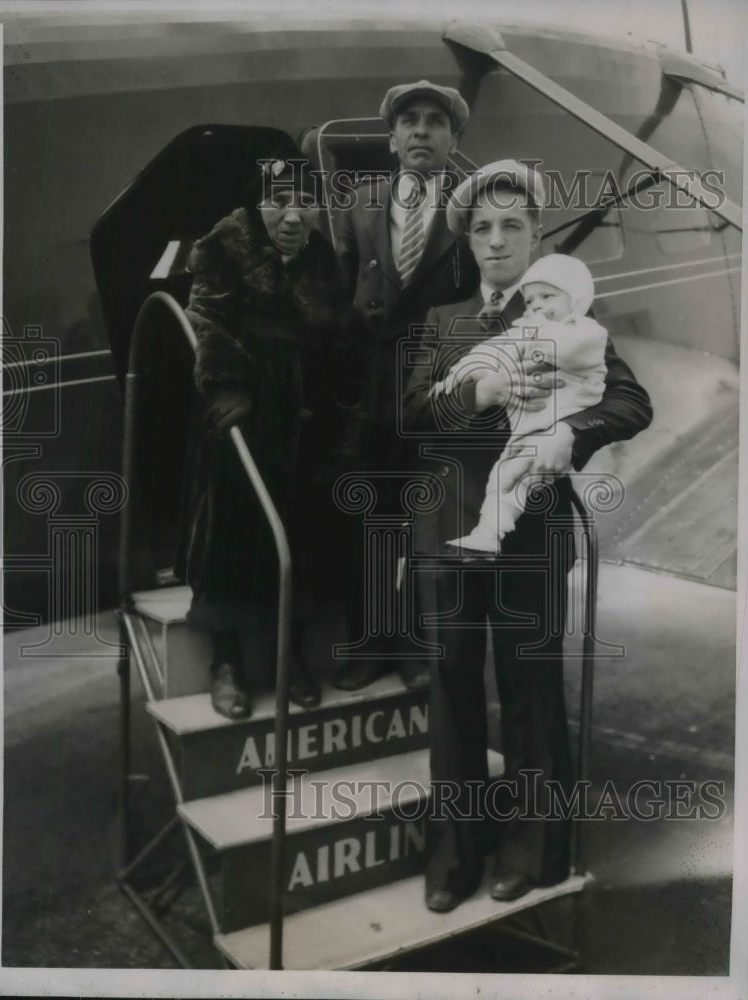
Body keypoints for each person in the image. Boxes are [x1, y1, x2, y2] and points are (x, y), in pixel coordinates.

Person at [402, 160, 653, 911]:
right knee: (450, 687)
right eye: (481, 228)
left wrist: (570, 432)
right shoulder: (440, 324)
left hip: (531, 532)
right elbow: (411, 417)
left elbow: (630, 401)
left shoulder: (567, 319)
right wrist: (476, 391)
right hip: (447, 528)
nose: (495, 240)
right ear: (467, 243)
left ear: (536, 236)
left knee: (530, 686)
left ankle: (532, 850)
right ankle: (454, 855)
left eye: (512, 225)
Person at [177, 156, 365, 721]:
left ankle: (291, 656)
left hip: (303, 426)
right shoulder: (223, 247)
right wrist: (230, 388)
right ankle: (227, 662)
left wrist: (344, 414)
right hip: (244, 421)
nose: (291, 216)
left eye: (304, 202)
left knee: (301, 533)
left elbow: (339, 341)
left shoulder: (318, 259)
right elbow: (206, 319)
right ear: (255, 203)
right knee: (234, 534)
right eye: (278, 200)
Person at [332, 79, 479, 693]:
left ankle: (419, 648)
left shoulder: (471, 211)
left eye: (435, 122)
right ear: (392, 140)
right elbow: (338, 301)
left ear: (451, 139)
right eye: (410, 121)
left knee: (430, 526)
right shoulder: (359, 205)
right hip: (370, 396)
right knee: (371, 524)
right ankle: (370, 643)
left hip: (433, 393)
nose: (421, 130)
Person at [435, 253, 608, 553]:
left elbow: (565, 349)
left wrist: (530, 332)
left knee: (518, 476)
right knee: (503, 479)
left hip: (560, 421)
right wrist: (458, 375)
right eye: (529, 301)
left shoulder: (587, 331)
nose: (536, 305)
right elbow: (491, 350)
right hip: (528, 429)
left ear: (574, 301)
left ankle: (490, 535)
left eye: (547, 296)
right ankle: (489, 536)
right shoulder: (523, 331)